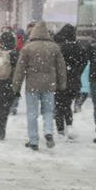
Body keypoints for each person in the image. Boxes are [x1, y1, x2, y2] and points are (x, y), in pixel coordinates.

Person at [11, 21, 67, 151]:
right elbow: (61, 68)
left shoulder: (27, 47)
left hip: (32, 86)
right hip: (49, 85)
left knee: (32, 114)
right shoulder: (54, 47)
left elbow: (20, 70)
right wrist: (62, 84)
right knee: (48, 111)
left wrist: (16, 87)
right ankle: (48, 131)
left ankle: (33, 141)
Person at [53, 24, 87, 139]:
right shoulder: (80, 48)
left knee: (59, 105)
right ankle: (69, 124)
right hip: (74, 81)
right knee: (67, 104)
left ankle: (60, 129)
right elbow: (83, 63)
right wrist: (76, 73)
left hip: (59, 81)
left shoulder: (59, 47)